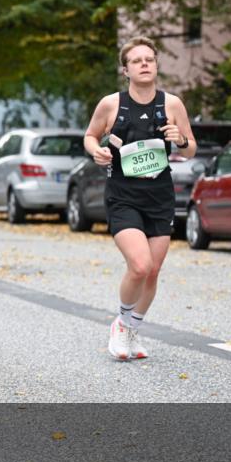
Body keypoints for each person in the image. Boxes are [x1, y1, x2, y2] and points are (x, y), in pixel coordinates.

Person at [83, 36, 197, 361]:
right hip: (123, 195)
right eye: (137, 60)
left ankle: (133, 327)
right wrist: (97, 151)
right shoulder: (111, 104)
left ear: (157, 65)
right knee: (140, 265)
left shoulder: (172, 104)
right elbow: (90, 136)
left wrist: (181, 139)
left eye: (149, 59)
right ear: (126, 70)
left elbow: (191, 149)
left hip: (160, 196)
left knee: (153, 270)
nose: (144, 64)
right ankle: (121, 324)